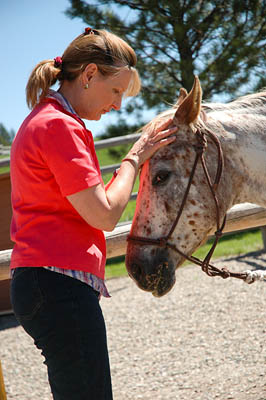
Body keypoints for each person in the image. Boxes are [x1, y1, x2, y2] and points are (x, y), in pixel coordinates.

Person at [10, 27, 177, 400]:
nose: (118, 104)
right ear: (88, 75)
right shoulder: (58, 126)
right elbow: (104, 215)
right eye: (116, 91)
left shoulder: (47, 119)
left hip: (45, 283)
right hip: (58, 286)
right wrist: (134, 159)